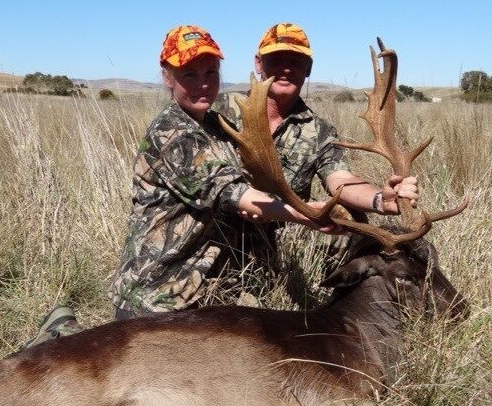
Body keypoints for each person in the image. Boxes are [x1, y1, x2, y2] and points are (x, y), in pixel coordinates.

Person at [26, 23, 418, 345]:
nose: (284, 68)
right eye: (275, 59)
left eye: (295, 61)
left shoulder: (315, 131)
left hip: (240, 281)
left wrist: (384, 199)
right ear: (258, 64)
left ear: (307, 69)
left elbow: (340, 179)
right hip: (165, 288)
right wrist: (308, 214)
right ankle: (57, 337)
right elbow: (237, 195)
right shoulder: (213, 117)